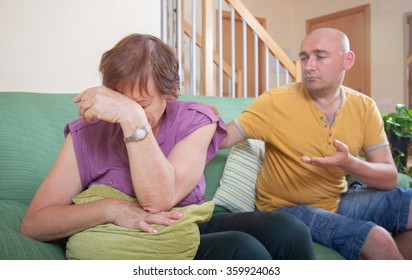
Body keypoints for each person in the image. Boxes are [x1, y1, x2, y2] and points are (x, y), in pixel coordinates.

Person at [20, 33, 314, 260]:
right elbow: (35, 223)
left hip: (183, 220)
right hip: (130, 237)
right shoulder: (86, 134)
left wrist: (133, 120)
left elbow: (160, 199)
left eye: (141, 104)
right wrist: (112, 208)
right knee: (242, 250)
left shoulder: (197, 120)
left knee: (290, 230)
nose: (127, 110)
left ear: (170, 93)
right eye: (121, 101)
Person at [220, 28, 412, 260]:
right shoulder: (275, 102)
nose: (309, 65)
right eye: (304, 57)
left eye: (320, 57)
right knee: (377, 237)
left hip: (338, 199)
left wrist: (350, 163)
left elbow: (390, 177)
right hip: (285, 209)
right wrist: (201, 119)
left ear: (347, 60)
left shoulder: (364, 107)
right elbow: (224, 138)